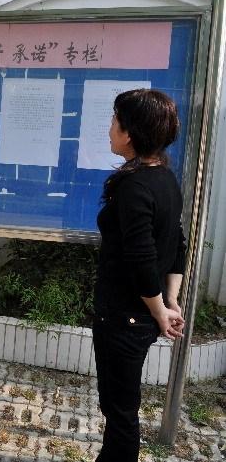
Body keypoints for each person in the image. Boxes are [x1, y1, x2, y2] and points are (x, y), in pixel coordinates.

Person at [93, 88, 187, 462]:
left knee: (120, 411)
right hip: (141, 314)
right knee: (121, 404)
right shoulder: (164, 177)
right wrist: (169, 300)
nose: (110, 129)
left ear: (129, 133)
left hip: (124, 316)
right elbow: (177, 243)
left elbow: (141, 257)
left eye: (114, 122)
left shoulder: (134, 184)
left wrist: (160, 310)